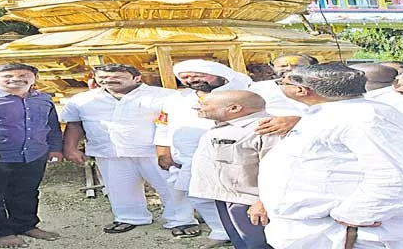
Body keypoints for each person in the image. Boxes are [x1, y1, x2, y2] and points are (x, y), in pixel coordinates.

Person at [258, 63, 403, 248]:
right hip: (314, 231)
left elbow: (392, 178)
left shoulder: (368, 119)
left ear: (302, 90)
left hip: (347, 235)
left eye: (282, 83)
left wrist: (352, 217)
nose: (279, 85)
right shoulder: (334, 113)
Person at [61, 64, 196, 236]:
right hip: (109, 151)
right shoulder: (82, 100)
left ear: (137, 78)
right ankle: (129, 217)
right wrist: (70, 148)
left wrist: (170, 151)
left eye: (117, 77)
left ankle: (182, 220)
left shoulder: (165, 96)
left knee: (170, 187)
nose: (109, 81)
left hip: (153, 152)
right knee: (119, 188)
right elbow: (74, 124)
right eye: (102, 78)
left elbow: (180, 123)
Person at [155, 59, 253, 248]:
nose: (191, 80)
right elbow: (162, 125)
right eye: (185, 77)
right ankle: (220, 231)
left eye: (197, 75)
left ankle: (251, 236)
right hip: (190, 158)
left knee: (239, 198)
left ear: (219, 75)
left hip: (236, 156)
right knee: (199, 196)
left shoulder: (247, 92)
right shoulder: (175, 99)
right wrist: (163, 150)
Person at [0, 63, 63, 248]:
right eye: (8, 76)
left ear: (34, 79)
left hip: (33, 155)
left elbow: (52, 127)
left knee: (27, 192)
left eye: (23, 75)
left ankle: (25, 225)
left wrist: (55, 149)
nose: (16, 79)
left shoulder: (44, 99)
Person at [190, 91, 278, 249]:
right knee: (242, 243)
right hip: (226, 197)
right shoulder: (222, 127)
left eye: (205, 105)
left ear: (234, 108)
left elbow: (278, 171)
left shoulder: (265, 128)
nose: (196, 107)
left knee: (261, 244)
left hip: (250, 202)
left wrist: (264, 201)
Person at [248, 54, 318, 136]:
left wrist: (300, 121)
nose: (289, 68)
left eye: (297, 65)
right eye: (283, 66)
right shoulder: (258, 88)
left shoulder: (323, 87)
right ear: (273, 68)